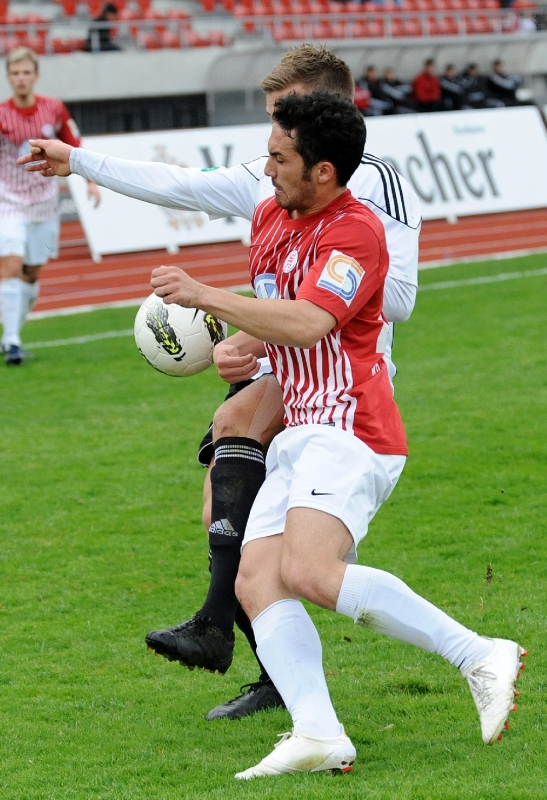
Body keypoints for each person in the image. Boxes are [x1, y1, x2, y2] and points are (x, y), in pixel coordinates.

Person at [19, 44, 421, 720]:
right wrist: (77, 161)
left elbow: (395, 298)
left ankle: (230, 631)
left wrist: (268, 314)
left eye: (283, 116)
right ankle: (257, 659)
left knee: (289, 539)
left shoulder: (370, 183)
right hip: (282, 359)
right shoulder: (271, 177)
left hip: (337, 372)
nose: (271, 139)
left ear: (324, 109)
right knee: (223, 513)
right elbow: (178, 184)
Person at [147, 91, 526, 778]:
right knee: (257, 581)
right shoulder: (270, 215)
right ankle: (318, 732)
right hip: (301, 425)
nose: (266, 169)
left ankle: (479, 654)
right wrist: (247, 344)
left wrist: (205, 295)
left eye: (279, 158)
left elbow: (313, 321)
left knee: (308, 571)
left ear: (322, 171)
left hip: (352, 427)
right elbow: (284, 314)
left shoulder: (357, 233)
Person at [0, 47, 100, 365]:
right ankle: (12, 342)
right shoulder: (1, 114)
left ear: (35, 75)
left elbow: (74, 145)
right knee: (11, 265)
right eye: (15, 73)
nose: (21, 78)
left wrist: (90, 181)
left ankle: (11, 333)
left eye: (26, 72)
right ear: (8, 77)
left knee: (31, 273)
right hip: (8, 201)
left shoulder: (53, 108)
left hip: (44, 203)